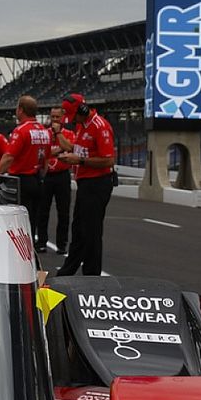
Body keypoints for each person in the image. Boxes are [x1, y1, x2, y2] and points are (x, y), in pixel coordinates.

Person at [54, 99, 115, 276]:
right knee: (79, 229)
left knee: (91, 232)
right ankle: (67, 271)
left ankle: (92, 275)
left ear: (82, 110)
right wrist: (71, 155)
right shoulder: (82, 125)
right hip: (85, 182)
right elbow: (79, 148)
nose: (73, 121)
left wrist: (79, 160)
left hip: (97, 182)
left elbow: (108, 159)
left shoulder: (99, 126)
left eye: (74, 116)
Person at [0, 95, 51, 236]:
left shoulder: (21, 130)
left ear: (21, 110)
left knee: (17, 220)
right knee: (32, 219)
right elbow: (46, 160)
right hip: (38, 179)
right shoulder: (44, 131)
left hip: (21, 180)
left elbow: (8, 157)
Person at [35, 107, 74, 255]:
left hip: (62, 175)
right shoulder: (44, 134)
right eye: (52, 117)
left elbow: (69, 148)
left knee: (63, 212)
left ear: (63, 118)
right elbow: (43, 152)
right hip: (47, 175)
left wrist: (58, 136)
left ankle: (62, 243)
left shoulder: (68, 133)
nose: (55, 120)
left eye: (58, 117)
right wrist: (58, 150)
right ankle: (42, 242)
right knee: (42, 211)